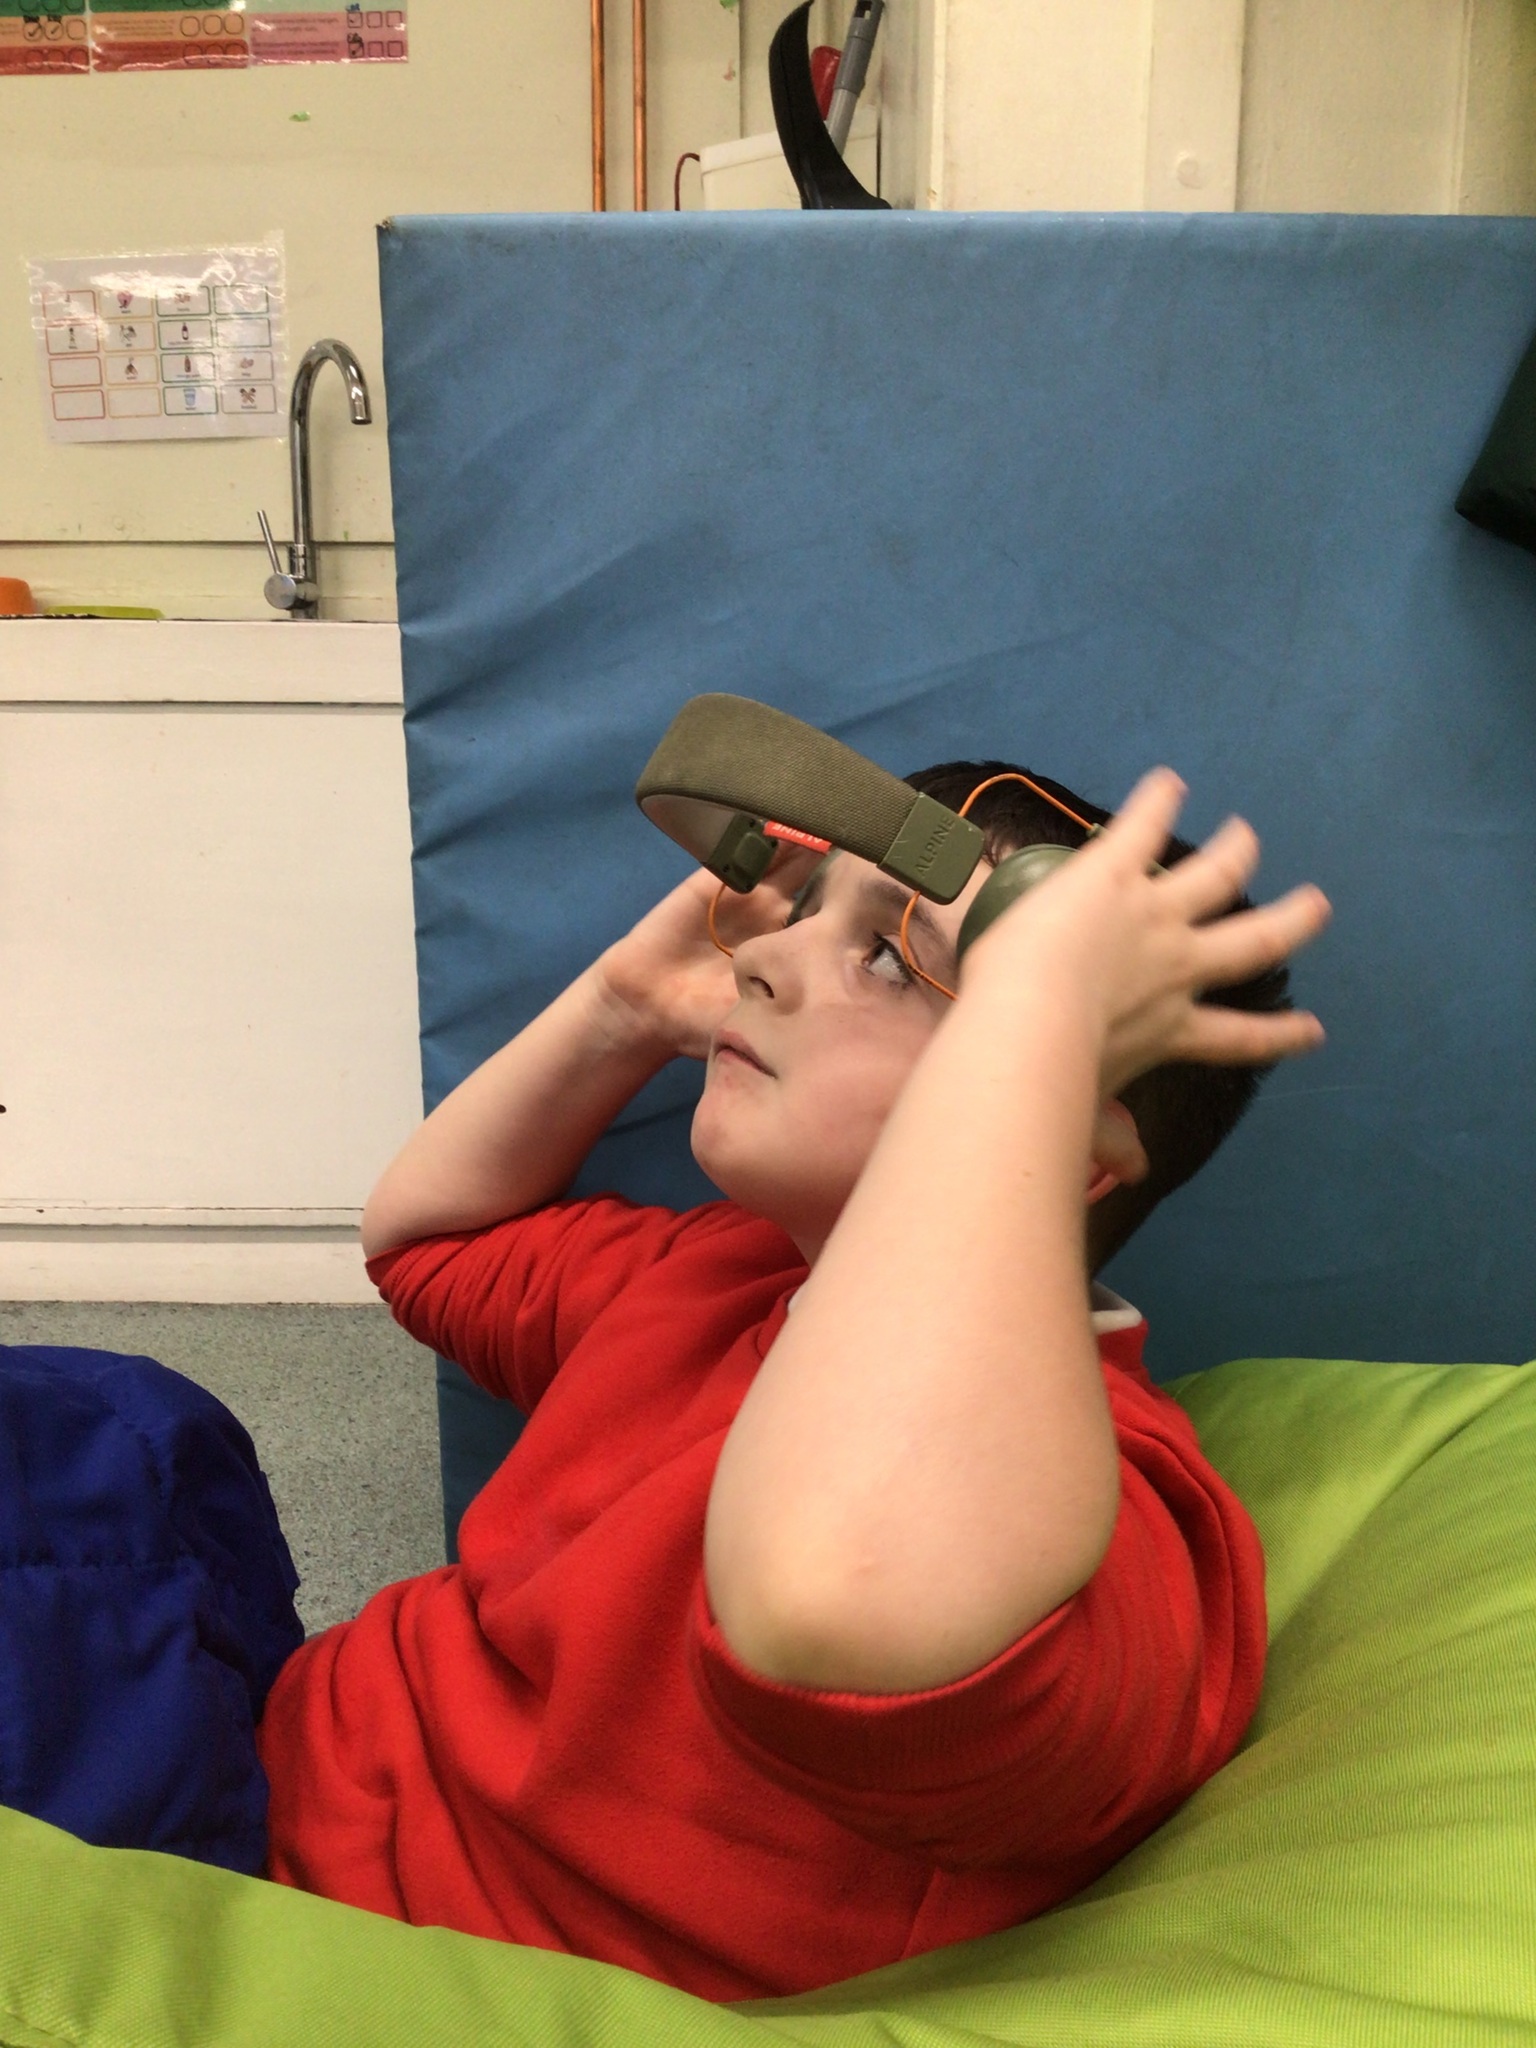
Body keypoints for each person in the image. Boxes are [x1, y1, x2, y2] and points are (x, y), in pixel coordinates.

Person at [253, 749, 1330, 2000]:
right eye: (807, 910)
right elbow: (427, 1244)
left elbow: (831, 1605)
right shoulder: (722, 1275)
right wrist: (621, 1006)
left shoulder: (1120, 1517)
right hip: (293, 1749)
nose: (763, 956)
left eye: (891, 958)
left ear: (1058, 1123)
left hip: (385, 1956)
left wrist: (1031, 1026)